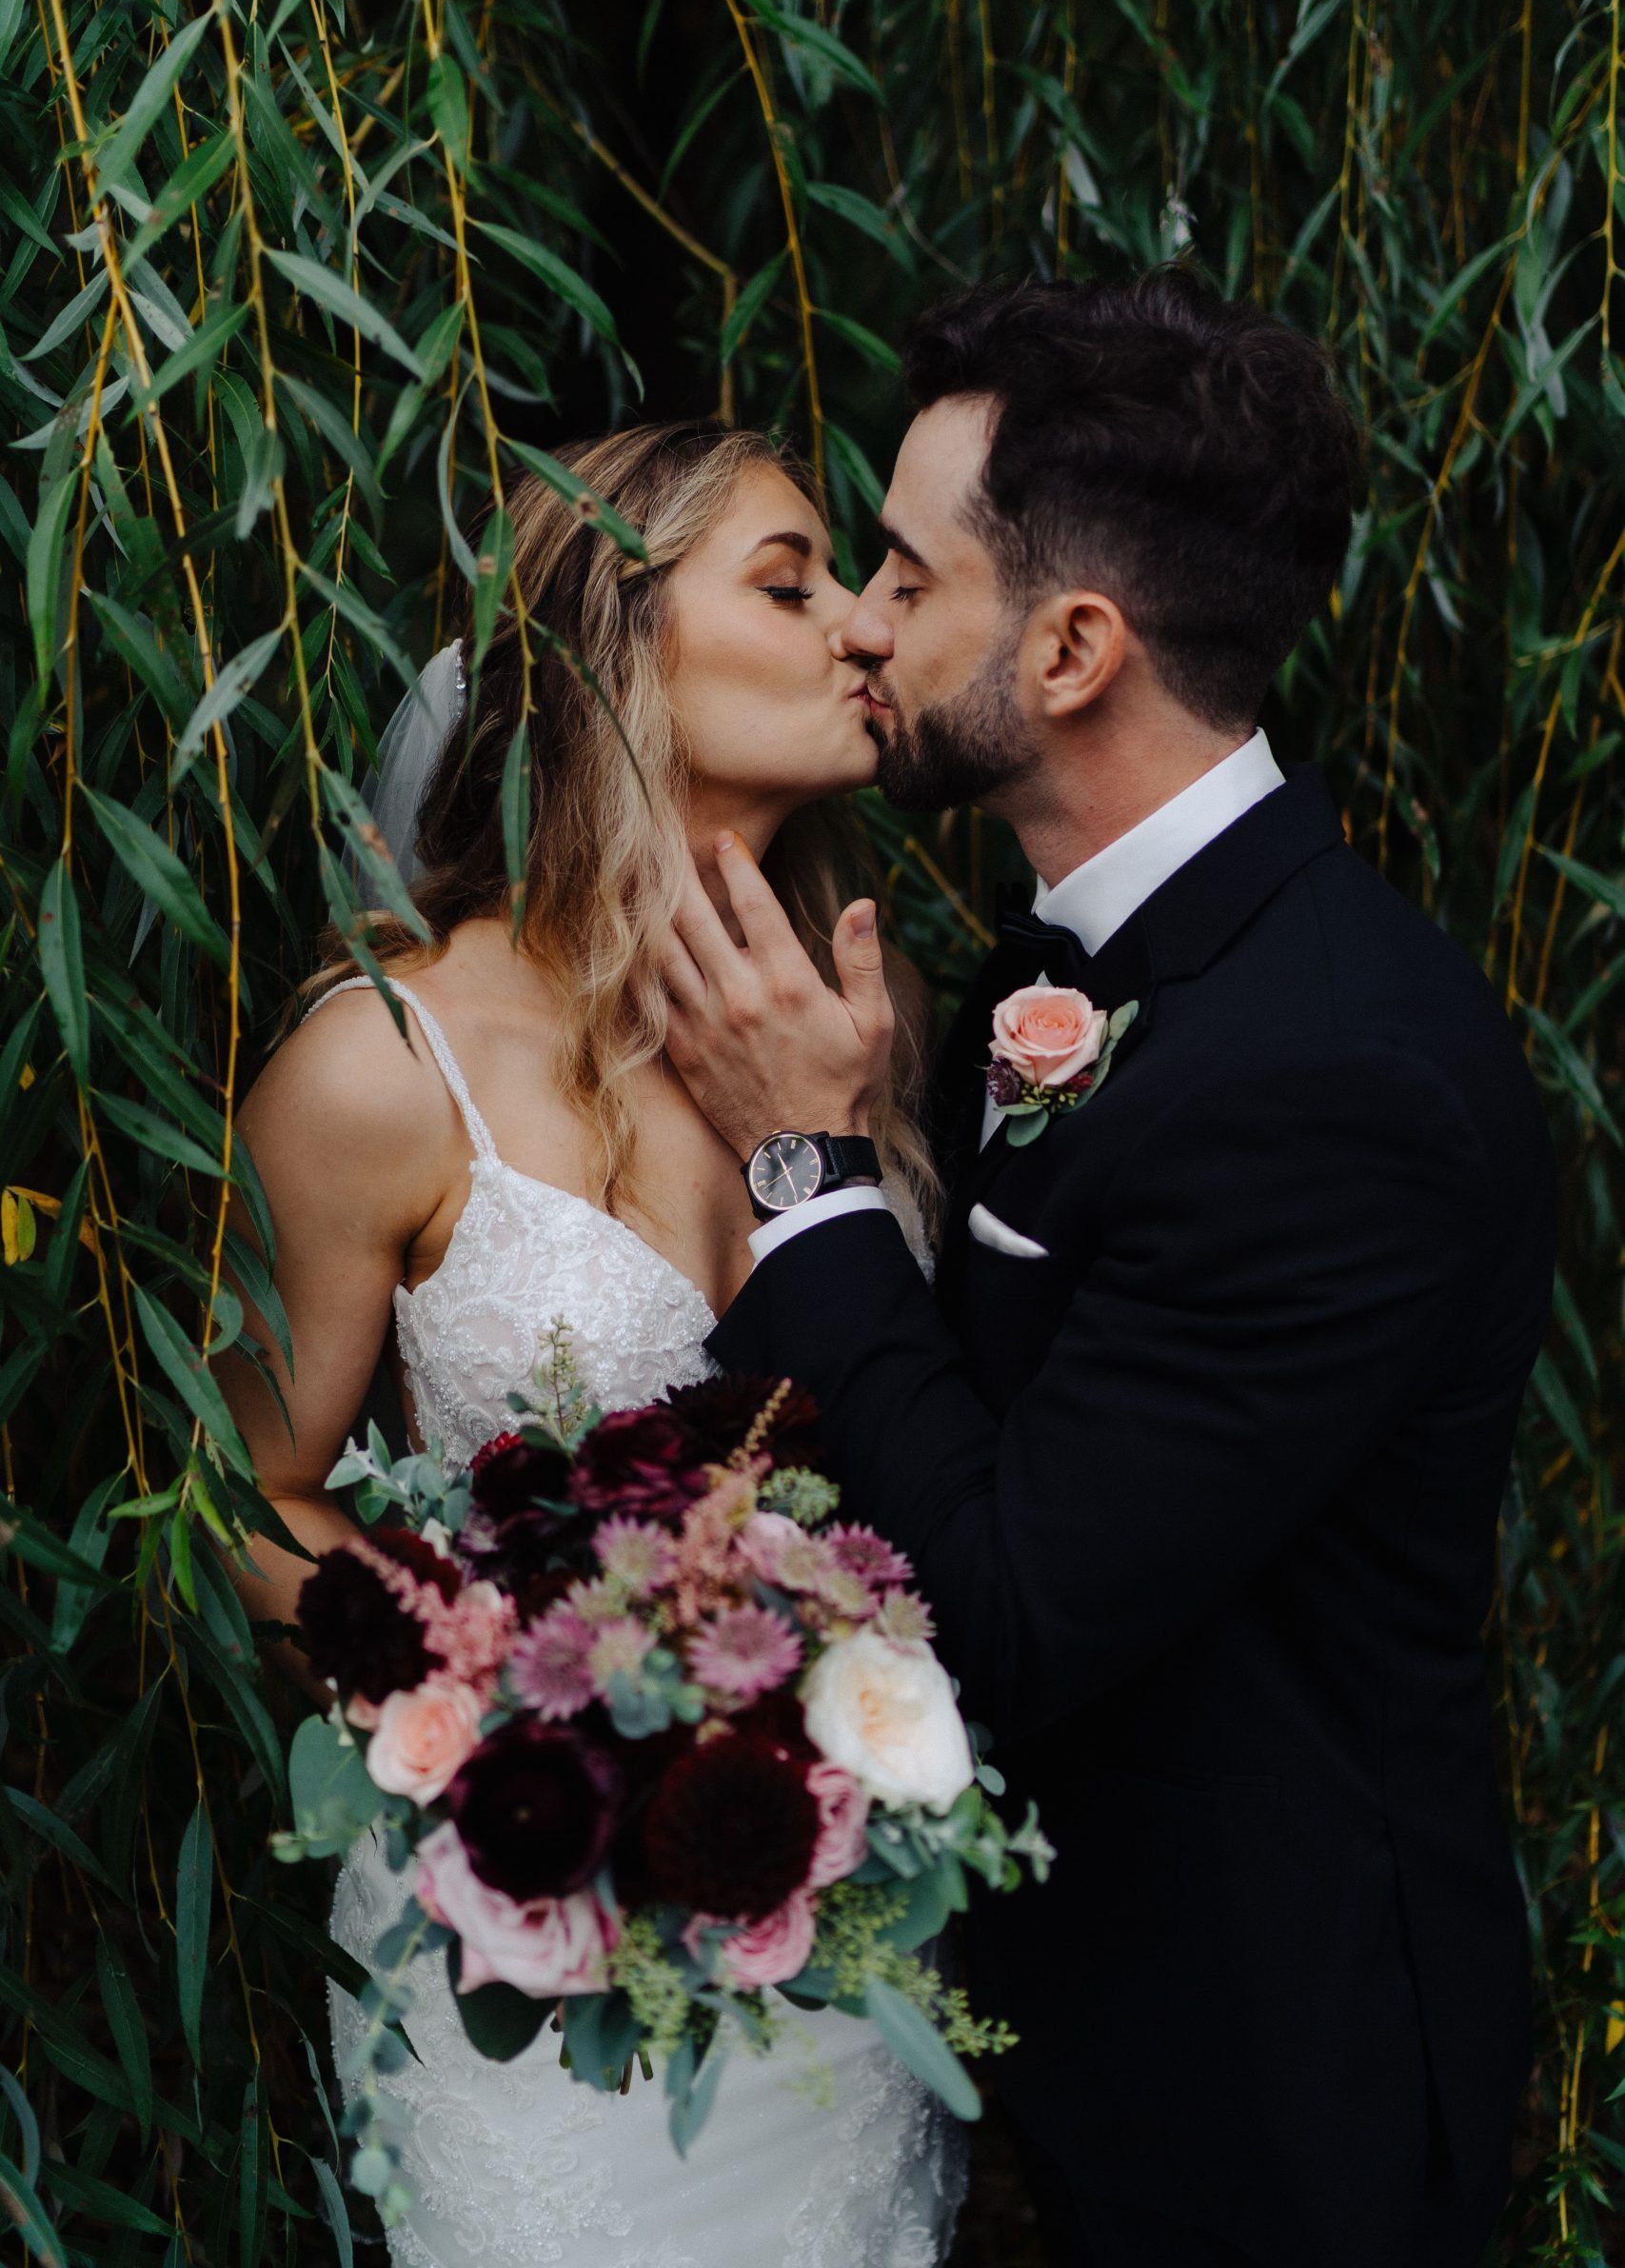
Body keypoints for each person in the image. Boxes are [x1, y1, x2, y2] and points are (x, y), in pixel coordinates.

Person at [658, 272, 1556, 2268]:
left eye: (899, 569)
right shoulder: (1064, 967)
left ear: (1071, 646)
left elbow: (1006, 1597)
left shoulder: (1337, 1075)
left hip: (1256, 2100)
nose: (863, 625)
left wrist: (797, 1164)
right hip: (1028, 2035)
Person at [220, 421, 964, 2268]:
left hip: (830, 1944)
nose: (860, 632)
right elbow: (230, 1487)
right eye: (787, 582)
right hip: (522, 1941)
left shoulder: (881, 1026)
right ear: (603, 637)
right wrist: (471, 1690)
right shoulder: (384, 1063)